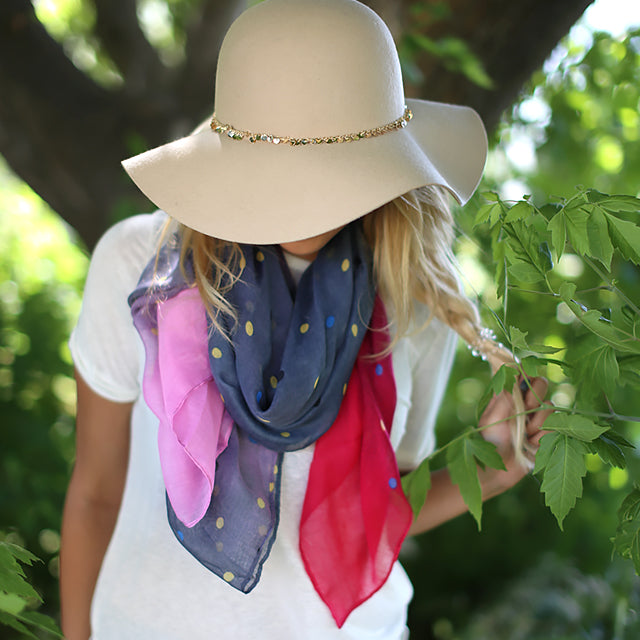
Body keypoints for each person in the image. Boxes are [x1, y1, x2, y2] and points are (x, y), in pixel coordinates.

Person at [59, 0, 551, 638]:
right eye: (288, 167)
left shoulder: (412, 296)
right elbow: (95, 491)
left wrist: (497, 464)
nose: (309, 201)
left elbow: (377, 510)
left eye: (332, 169)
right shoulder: (140, 267)